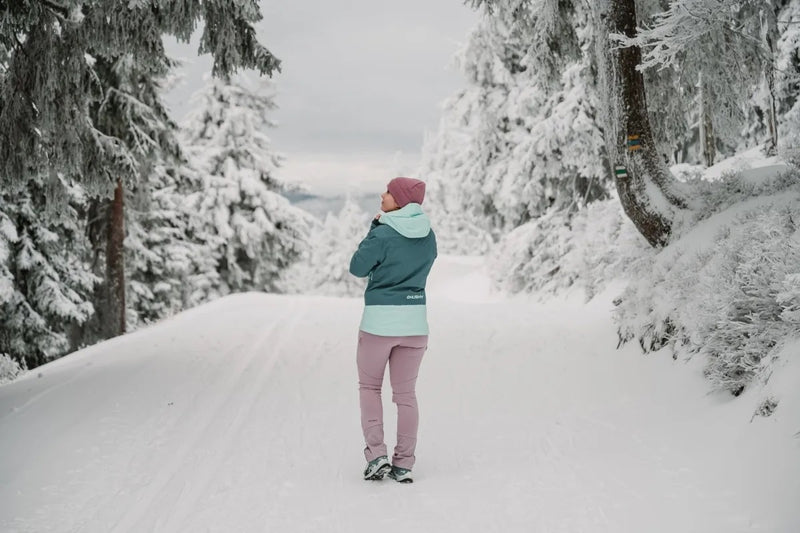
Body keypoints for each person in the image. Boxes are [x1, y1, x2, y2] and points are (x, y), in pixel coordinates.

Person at [349, 177, 437, 484]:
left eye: (388, 191)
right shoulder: (429, 236)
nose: (382, 195)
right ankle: (404, 464)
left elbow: (358, 267)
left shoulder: (384, 232)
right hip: (415, 325)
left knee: (370, 388)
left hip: (379, 325)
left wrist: (374, 231)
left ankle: (377, 456)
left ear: (399, 199)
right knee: (406, 395)